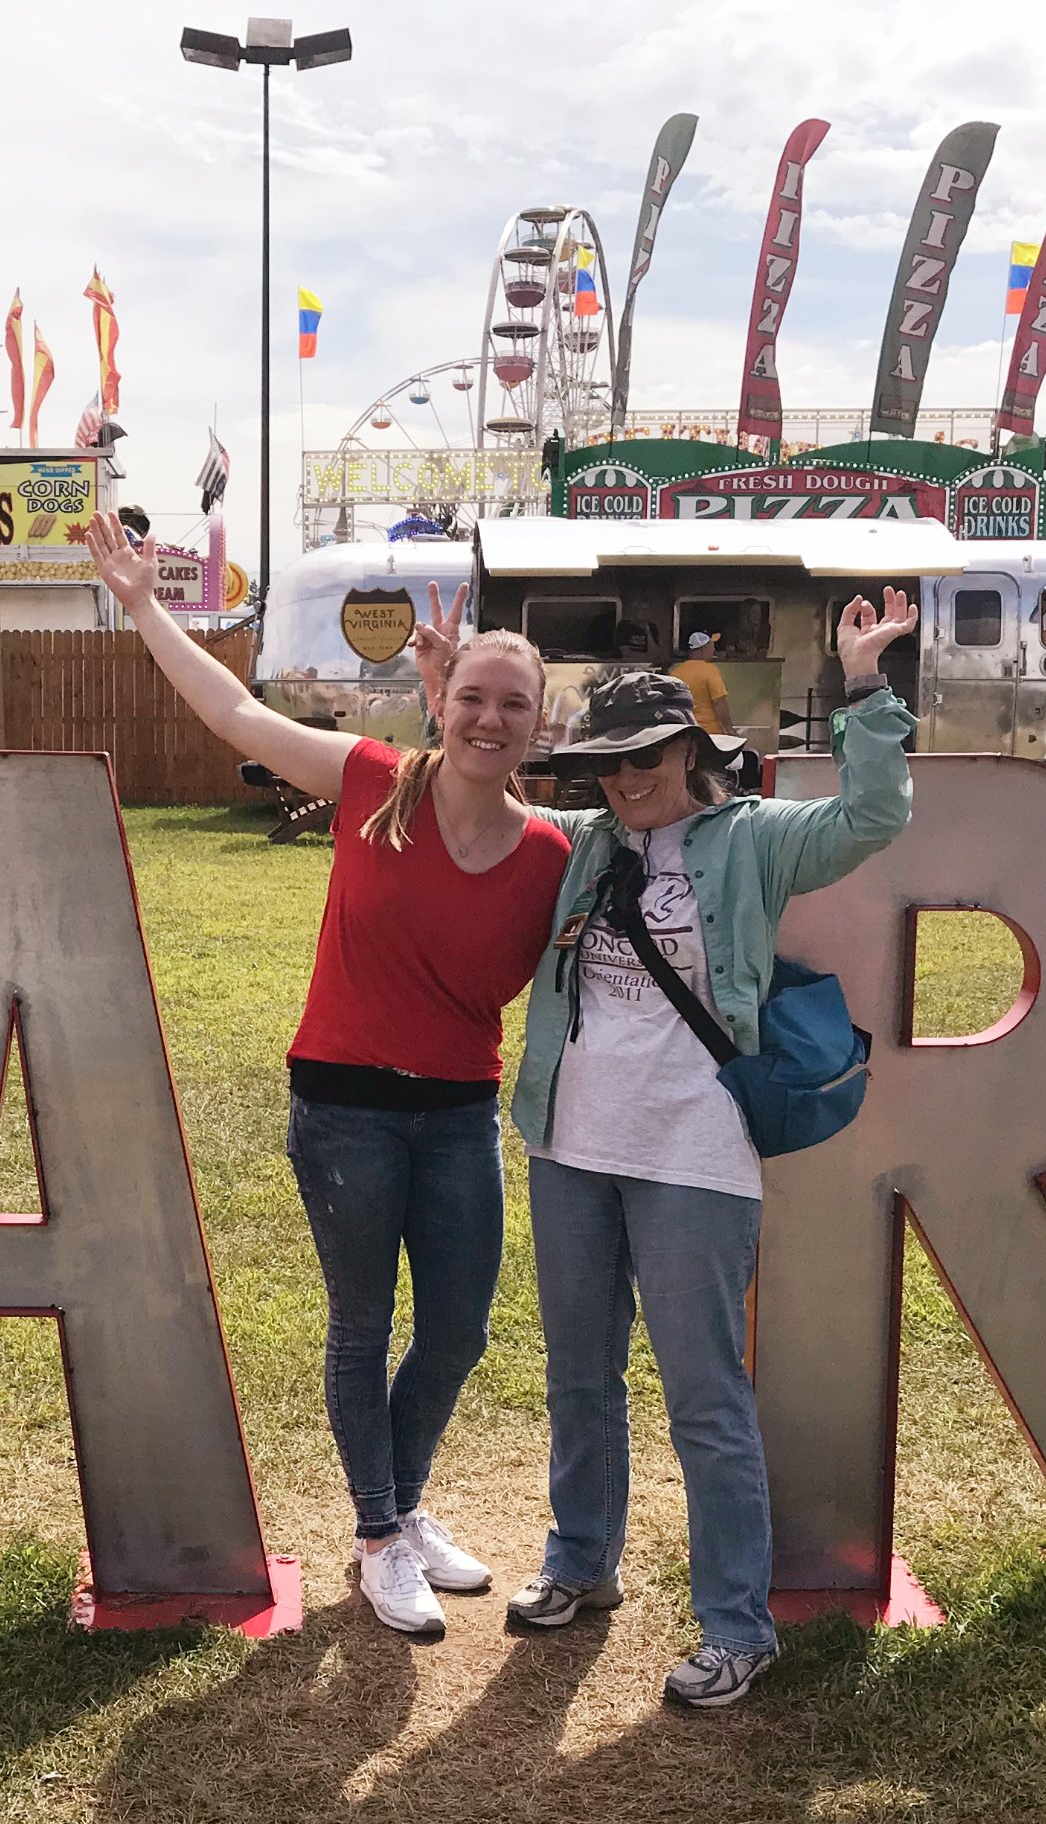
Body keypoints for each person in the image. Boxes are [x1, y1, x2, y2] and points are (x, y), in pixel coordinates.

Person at [80, 515, 571, 1639]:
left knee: (458, 1330)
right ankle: (380, 1533)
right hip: (347, 1107)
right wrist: (146, 605)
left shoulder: (550, 852)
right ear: (439, 706)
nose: (490, 718)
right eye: (472, 697)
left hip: (459, 1113)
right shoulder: (372, 782)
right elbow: (237, 715)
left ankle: (400, 1504)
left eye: (513, 704)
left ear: (539, 724)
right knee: (363, 1325)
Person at [492, 593, 918, 1710]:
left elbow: (873, 816)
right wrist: (453, 698)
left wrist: (865, 686)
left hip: (694, 1152)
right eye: (606, 763)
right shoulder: (582, 846)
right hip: (571, 1142)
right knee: (578, 1375)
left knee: (703, 1398)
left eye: (645, 757)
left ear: (690, 750)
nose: (625, 780)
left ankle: (737, 1625)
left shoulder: (752, 840)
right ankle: (581, 1562)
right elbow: (477, 812)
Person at [670, 630, 732, 736]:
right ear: (702, 649)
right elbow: (719, 703)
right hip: (710, 733)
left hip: (685, 733)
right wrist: (729, 729)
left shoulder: (675, 673)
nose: (714, 649)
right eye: (711, 646)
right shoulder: (710, 670)